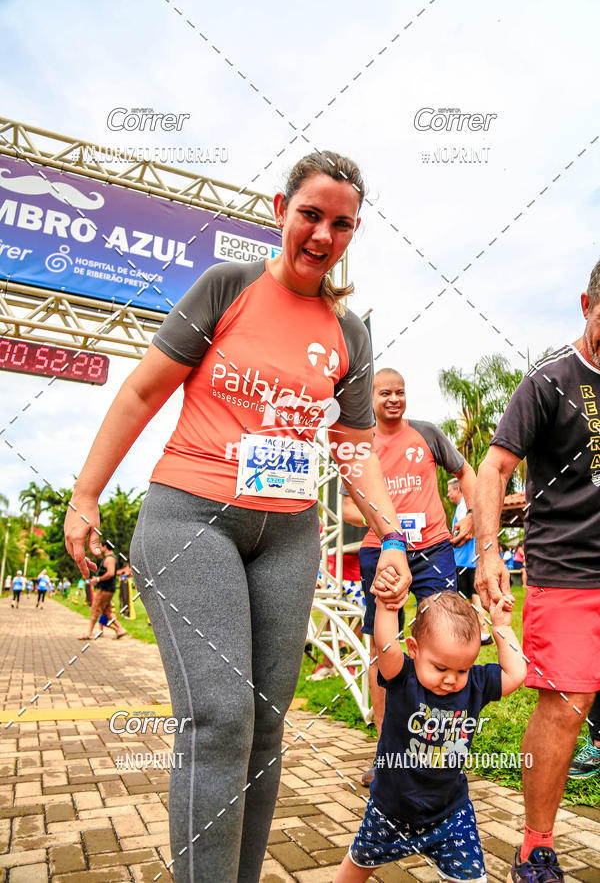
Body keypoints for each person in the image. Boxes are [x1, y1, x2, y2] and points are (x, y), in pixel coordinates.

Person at [64, 151, 412, 883]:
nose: (323, 235)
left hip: (287, 536)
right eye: (310, 215)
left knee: (264, 733)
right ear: (280, 209)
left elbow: (354, 449)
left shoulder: (348, 332)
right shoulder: (229, 286)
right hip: (192, 518)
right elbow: (142, 393)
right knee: (221, 721)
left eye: (342, 223)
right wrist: (86, 494)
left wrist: (392, 537)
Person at [474, 260, 600, 882]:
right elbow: (495, 468)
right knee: (565, 706)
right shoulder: (551, 379)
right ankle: (535, 846)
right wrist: (489, 552)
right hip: (568, 571)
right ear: (586, 304)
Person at [334, 590, 526, 882]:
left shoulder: (474, 685)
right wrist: (387, 605)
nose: (451, 679)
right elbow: (385, 645)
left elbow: (516, 674)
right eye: (440, 667)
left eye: (462, 669)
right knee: (359, 862)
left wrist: (501, 627)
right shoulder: (403, 677)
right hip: (390, 810)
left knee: (472, 876)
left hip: (451, 813)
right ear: (413, 649)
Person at [342, 369, 476, 784]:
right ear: (371, 398)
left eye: (400, 392)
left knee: (447, 637)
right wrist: (389, 525)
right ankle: (387, 753)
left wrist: (472, 513)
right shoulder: (361, 443)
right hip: (382, 551)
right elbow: (347, 507)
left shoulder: (427, 433)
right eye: (385, 393)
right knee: (383, 646)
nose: (394, 399)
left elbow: (466, 473)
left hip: (434, 549)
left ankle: (443, 747)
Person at [447, 478, 491, 646]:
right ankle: (482, 633)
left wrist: (449, 542)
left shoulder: (463, 507)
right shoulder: (466, 507)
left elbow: (464, 533)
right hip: (470, 560)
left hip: (463, 560)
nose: (448, 494)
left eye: (450, 491)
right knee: (474, 597)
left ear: (458, 490)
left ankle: (474, 633)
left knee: (463, 599)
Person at [77, 541, 127, 640]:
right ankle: (120, 629)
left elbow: (110, 573)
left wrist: (98, 579)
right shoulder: (108, 558)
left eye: (100, 546)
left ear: (105, 546)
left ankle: (89, 633)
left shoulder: (110, 559)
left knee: (95, 609)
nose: (99, 548)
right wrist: (97, 580)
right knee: (106, 612)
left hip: (105, 589)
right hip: (106, 588)